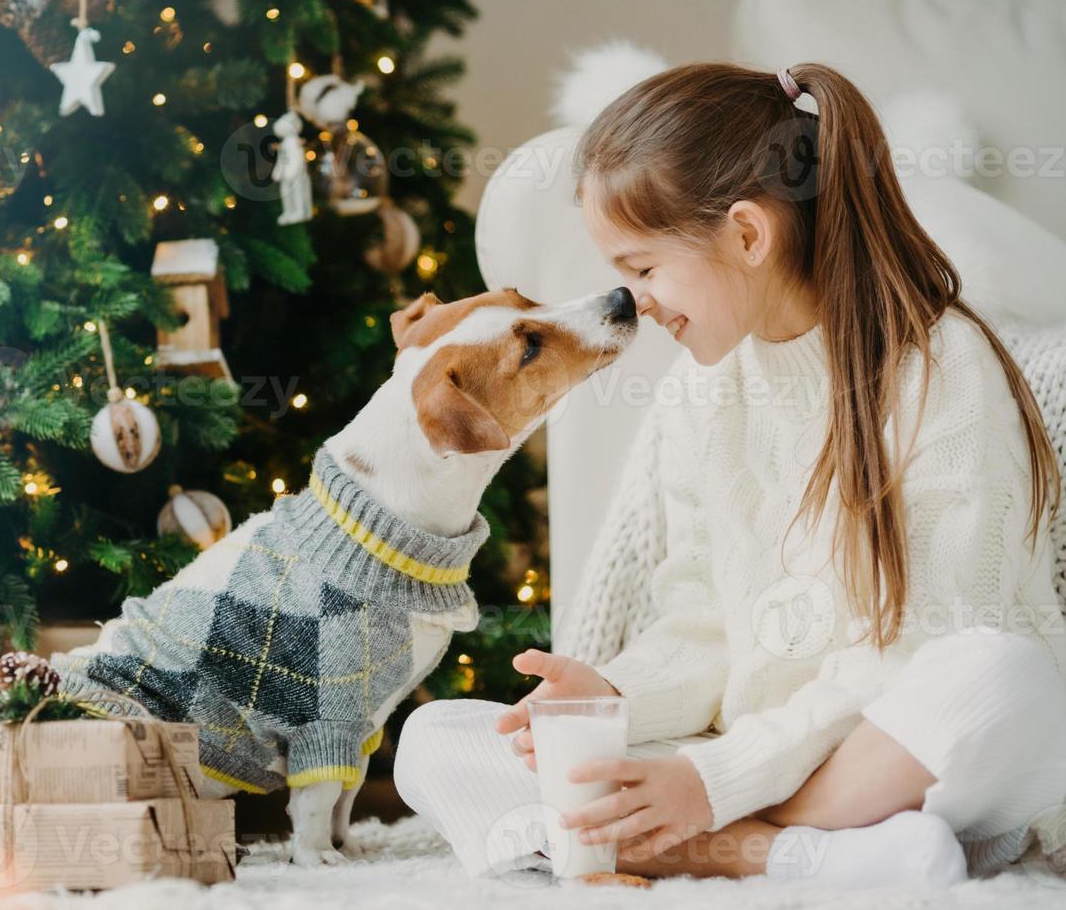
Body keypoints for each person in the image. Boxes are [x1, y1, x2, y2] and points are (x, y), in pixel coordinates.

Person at [393, 62, 1066, 888]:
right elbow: (701, 622)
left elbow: (929, 644)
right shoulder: (702, 388)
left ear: (748, 235)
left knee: (1003, 676)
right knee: (437, 745)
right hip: (752, 758)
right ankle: (803, 857)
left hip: (892, 759)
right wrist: (613, 695)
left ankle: (714, 840)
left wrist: (715, 784)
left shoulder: (942, 370)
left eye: (643, 268)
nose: (633, 302)